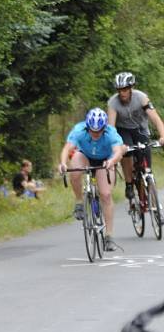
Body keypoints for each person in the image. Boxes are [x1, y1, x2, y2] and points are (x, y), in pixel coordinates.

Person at [58, 107, 125, 252]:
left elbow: (118, 152)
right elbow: (67, 148)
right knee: (74, 170)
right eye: (92, 131)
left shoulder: (110, 133)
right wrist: (63, 163)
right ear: (87, 127)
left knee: (106, 195)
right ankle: (79, 202)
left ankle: (109, 236)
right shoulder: (79, 130)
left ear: (104, 128)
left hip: (105, 160)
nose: (95, 134)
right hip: (85, 156)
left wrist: (112, 162)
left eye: (99, 131)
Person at [107, 72, 164, 202]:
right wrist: (117, 145)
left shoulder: (142, 98)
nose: (122, 93)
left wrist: (162, 136)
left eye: (125, 89)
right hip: (123, 131)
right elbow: (111, 128)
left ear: (131, 88)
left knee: (146, 157)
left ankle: (148, 183)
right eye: (120, 90)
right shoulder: (113, 103)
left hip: (140, 129)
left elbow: (156, 119)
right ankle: (128, 184)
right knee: (126, 152)